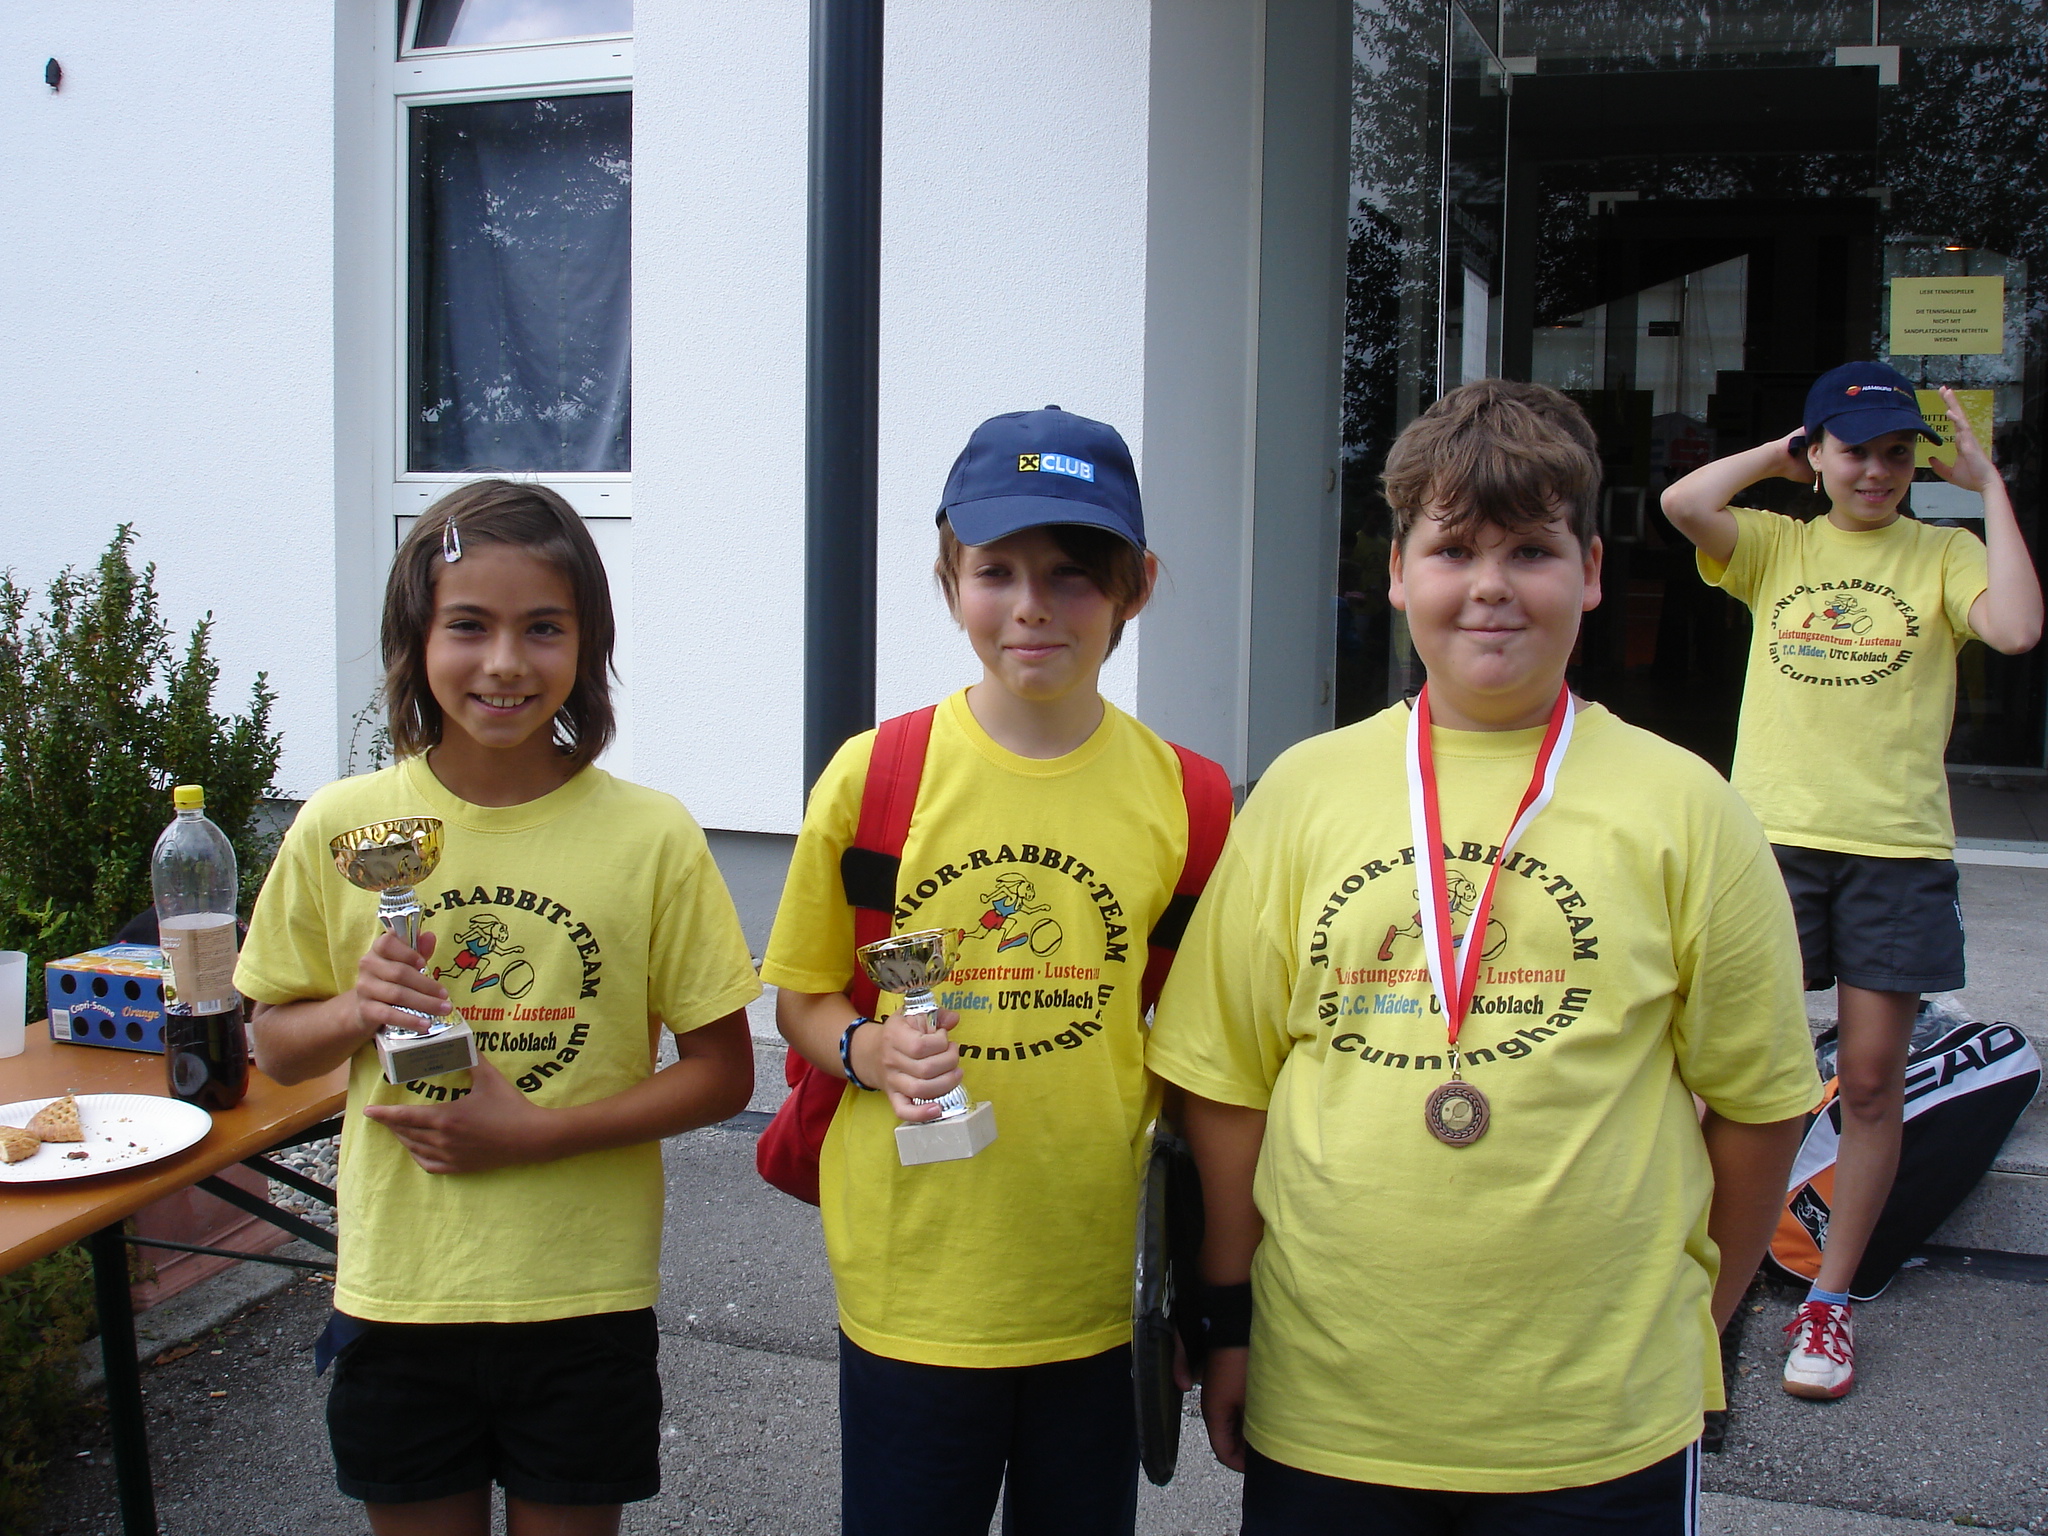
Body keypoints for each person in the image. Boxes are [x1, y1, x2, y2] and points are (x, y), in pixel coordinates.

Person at [1148, 379, 1821, 1533]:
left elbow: (1759, 1104)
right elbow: (1223, 1087)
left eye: (1531, 551)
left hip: (1595, 1423)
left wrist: (1691, 1323)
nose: (1491, 586)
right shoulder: (1302, 794)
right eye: (1453, 549)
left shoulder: (1687, 808)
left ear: (1591, 573)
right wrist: (1225, 1317)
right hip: (1331, 1401)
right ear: (1396, 571)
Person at [239, 481, 759, 1536]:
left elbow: (724, 1075)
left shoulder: (652, 836)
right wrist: (354, 1009)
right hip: (401, 1288)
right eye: (469, 626)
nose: (506, 662)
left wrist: (535, 1134)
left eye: (544, 628)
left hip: (581, 1293)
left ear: (588, 643)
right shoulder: (341, 824)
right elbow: (274, 1049)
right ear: (415, 640)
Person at [762, 407, 1217, 1536]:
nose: (1031, 606)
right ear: (949, 578)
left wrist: (1200, 1285)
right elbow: (802, 997)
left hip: (1097, 1285)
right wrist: (866, 1049)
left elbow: (1200, 1061)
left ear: (1134, 587)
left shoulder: (1189, 798)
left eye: (1071, 575)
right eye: (996, 571)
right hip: (915, 1279)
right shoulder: (877, 775)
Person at [1661, 362, 2042, 1399]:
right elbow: (1683, 502)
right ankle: (1685, 1271)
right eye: (1852, 450)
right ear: (1816, 453)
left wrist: (1989, 487)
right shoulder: (1777, 546)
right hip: (1770, 848)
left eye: (1893, 453)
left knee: (1870, 1084)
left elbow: (2014, 628)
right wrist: (1780, 455)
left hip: (1894, 853)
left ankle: (1827, 1301)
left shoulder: (1943, 552)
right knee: (1724, 1073)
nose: (1874, 471)